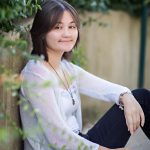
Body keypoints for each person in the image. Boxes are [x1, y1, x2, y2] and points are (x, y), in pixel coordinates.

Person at [19, 0, 150, 150]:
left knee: (141, 97)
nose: (67, 33)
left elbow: (103, 88)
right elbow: (57, 137)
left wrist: (126, 96)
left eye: (72, 27)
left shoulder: (66, 67)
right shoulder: (36, 75)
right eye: (58, 27)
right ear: (42, 32)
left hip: (79, 141)